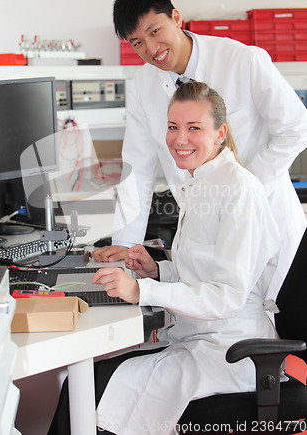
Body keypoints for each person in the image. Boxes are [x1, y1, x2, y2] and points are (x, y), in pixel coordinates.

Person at [48, 81, 281, 435]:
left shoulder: (238, 192)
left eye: (194, 128)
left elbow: (225, 296)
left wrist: (144, 291)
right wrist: (157, 269)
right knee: (86, 383)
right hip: (200, 337)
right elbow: (202, 269)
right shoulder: (203, 182)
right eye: (173, 127)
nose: (180, 138)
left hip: (230, 351)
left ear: (220, 134)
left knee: (88, 389)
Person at [92, 0, 307, 303]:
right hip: (202, 234)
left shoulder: (242, 60)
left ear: (176, 18)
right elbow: (137, 172)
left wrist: (240, 189)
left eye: (155, 31)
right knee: (207, 313)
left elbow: (297, 128)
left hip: (266, 220)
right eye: (138, 42)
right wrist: (125, 256)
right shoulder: (142, 87)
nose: (151, 49)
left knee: (270, 323)